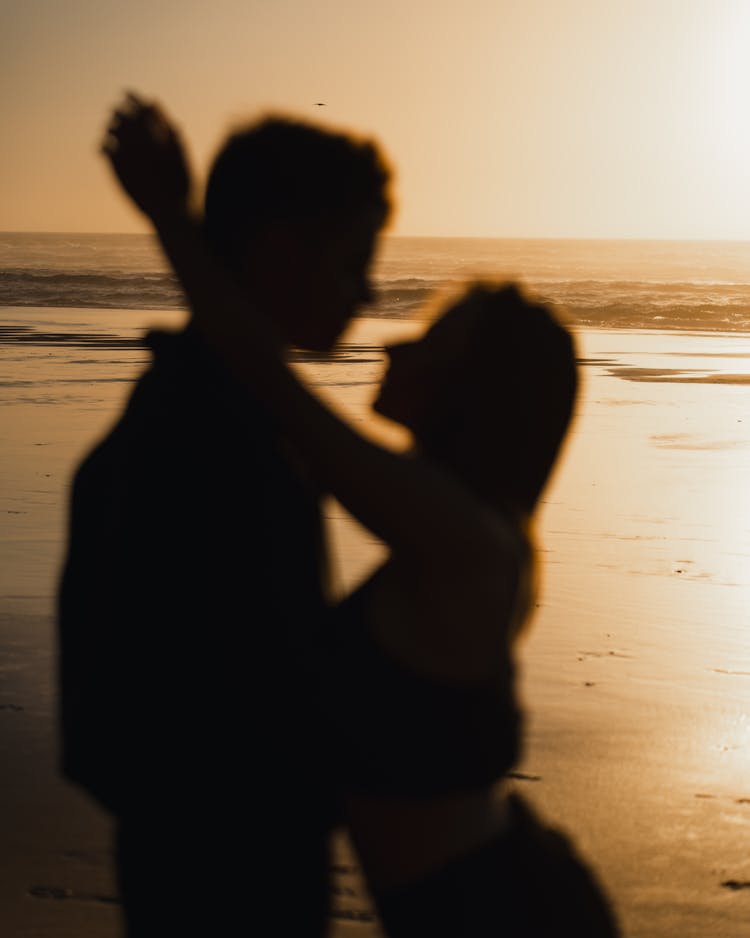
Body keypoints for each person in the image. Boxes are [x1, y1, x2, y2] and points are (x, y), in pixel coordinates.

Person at [103, 96, 620, 936]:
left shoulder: (470, 545)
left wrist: (170, 218)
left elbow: (269, 379)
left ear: (470, 394)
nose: (393, 342)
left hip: (500, 914)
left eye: (430, 341)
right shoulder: (446, 533)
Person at [59, 103, 391, 936]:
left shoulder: (205, 403)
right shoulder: (216, 431)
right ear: (282, 256)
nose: (371, 291)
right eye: (355, 261)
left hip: (193, 843)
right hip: (233, 860)